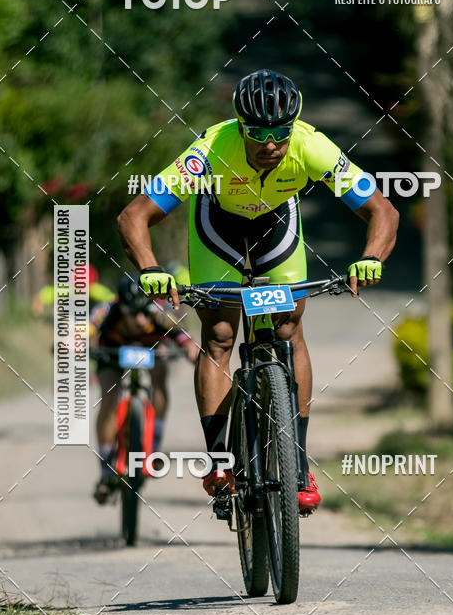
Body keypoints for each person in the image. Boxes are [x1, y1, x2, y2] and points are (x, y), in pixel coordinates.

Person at [117, 68, 399, 512]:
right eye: (258, 133)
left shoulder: (311, 145)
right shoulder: (209, 151)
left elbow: (382, 210)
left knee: (288, 328)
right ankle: (219, 461)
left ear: (294, 126)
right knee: (220, 336)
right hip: (218, 225)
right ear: (239, 126)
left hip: (276, 226)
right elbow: (134, 215)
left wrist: (371, 259)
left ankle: (298, 463)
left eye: (280, 133)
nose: (271, 144)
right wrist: (151, 268)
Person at [90, 275, 198, 504]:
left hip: (151, 349)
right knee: (108, 397)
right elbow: (85, 329)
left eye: (143, 313)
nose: (140, 320)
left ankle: (154, 443)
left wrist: (189, 347)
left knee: (160, 374)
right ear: (122, 307)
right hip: (112, 352)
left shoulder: (159, 312)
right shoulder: (106, 310)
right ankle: (106, 470)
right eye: (133, 314)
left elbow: (182, 336)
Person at [32, 264, 114, 315]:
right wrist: (40, 300)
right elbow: (48, 293)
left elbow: (114, 299)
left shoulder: (95, 290)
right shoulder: (69, 289)